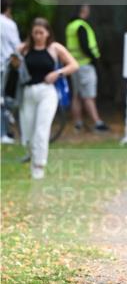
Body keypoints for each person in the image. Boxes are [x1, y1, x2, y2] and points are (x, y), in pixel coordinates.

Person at [11, 18, 78, 179]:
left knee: (42, 129)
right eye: (35, 33)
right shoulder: (25, 48)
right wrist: (16, 57)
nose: (38, 36)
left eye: (41, 32)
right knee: (28, 132)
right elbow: (15, 68)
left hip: (47, 92)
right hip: (28, 92)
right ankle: (32, 157)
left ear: (48, 33)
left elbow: (73, 65)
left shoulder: (55, 48)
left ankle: (39, 167)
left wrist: (58, 73)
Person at [65, 5, 110, 132]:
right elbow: (84, 45)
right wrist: (94, 59)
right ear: (84, 11)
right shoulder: (81, 26)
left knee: (77, 95)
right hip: (85, 64)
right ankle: (97, 122)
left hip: (74, 64)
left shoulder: (71, 26)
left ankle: (78, 123)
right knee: (89, 95)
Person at [1, 0, 21, 143]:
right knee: (4, 99)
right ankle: (3, 133)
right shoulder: (8, 24)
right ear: (7, 8)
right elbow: (17, 46)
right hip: (6, 65)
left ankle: (5, 129)